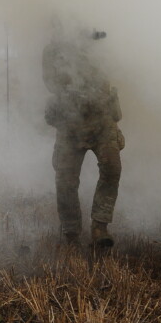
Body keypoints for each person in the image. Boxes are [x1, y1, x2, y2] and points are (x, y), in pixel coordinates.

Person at [42, 26, 124, 248]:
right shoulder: (53, 51)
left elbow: (111, 72)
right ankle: (71, 234)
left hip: (102, 119)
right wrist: (72, 87)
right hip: (71, 122)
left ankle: (100, 226)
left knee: (112, 168)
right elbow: (50, 82)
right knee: (65, 179)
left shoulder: (97, 47)